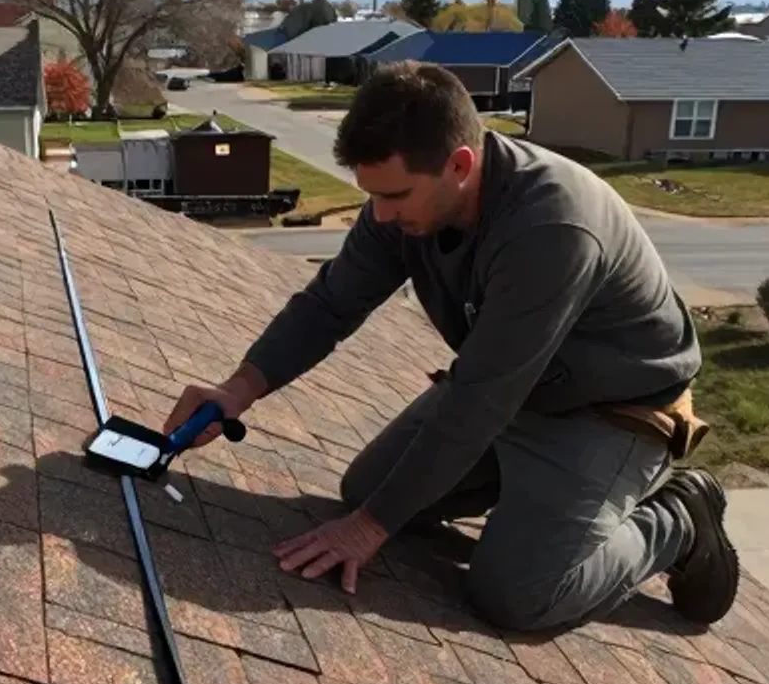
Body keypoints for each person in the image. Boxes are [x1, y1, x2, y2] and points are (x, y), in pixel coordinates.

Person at [162, 61, 738, 631]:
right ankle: (527, 502)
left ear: (460, 164)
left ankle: (681, 516)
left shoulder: (553, 230)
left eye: (396, 195)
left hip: (608, 413)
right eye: (372, 196)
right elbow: (330, 305)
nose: (381, 215)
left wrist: (369, 529)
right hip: (516, 387)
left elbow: (480, 400)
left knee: (516, 595)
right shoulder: (405, 206)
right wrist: (239, 388)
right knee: (366, 492)